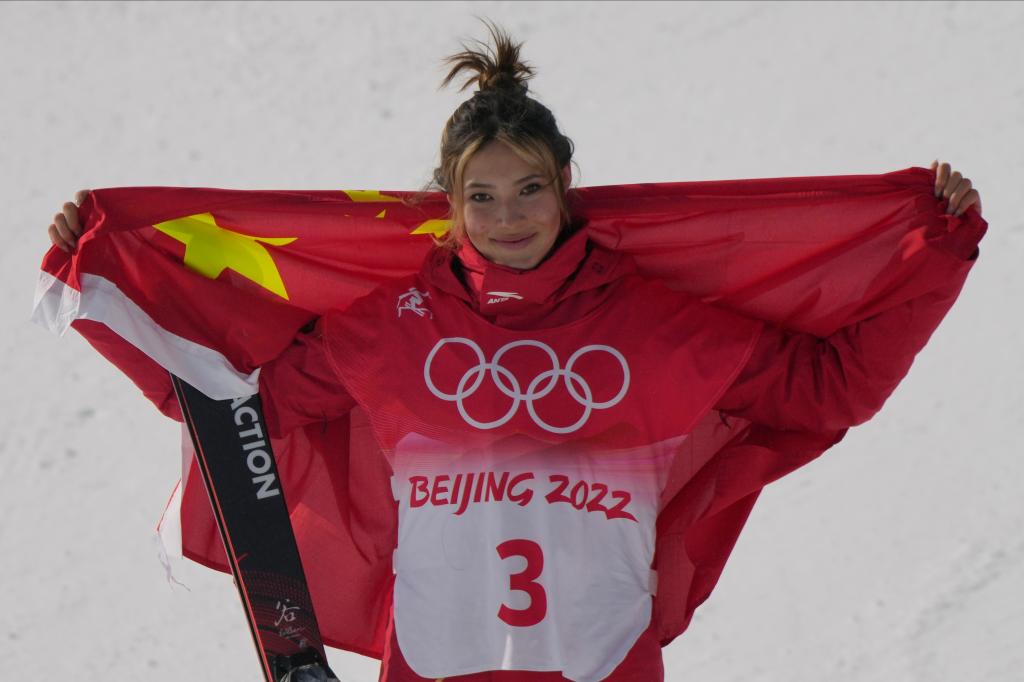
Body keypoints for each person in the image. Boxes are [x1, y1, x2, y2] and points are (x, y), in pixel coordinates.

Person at [47, 21, 983, 682]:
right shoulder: (390, 326)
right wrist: (104, 293)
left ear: (567, 185)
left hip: (600, 657)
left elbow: (832, 391)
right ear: (448, 205)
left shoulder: (651, 324)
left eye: (528, 189)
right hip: (433, 657)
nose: (508, 219)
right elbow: (236, 413)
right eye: (482, 197)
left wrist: (937, 257)